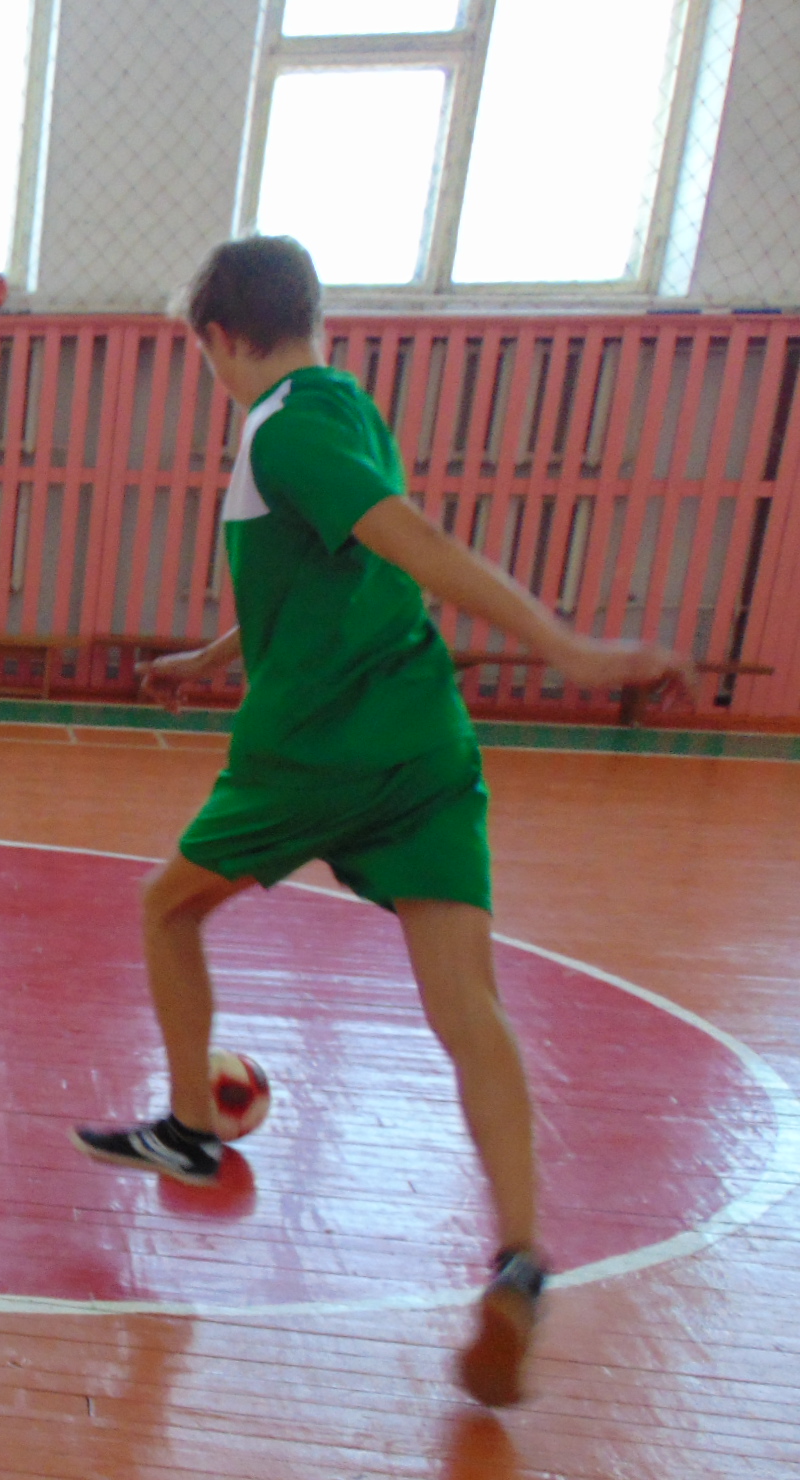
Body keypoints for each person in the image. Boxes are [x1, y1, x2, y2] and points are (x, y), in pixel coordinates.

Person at [72, 236, 686, 1408]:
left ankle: (193, 1129)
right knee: (469, 1010)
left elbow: (424, 550)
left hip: (318, 746)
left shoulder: (278, 430)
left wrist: (569, 650)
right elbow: (332, 573)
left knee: (168, 911)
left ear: (219, 339)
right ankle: (520, 1257)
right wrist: (209, 659)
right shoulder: (343, 406)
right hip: (423, 742)